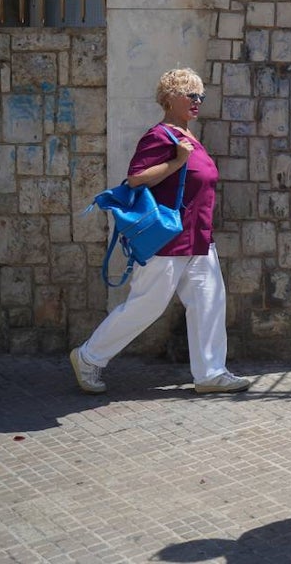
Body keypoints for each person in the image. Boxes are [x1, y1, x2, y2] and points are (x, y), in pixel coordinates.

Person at [70, 67, 250, 396]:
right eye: (190, 95)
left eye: (200, 96)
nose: (197, 101)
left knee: (209, 302)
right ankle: (88, 357)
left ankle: (211, 373)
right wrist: (178, 161)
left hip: (198, 238)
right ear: (170, 99)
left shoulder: (190, 136)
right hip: (168, 240)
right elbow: (136, 178)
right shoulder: (161, 136)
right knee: (146, 306)